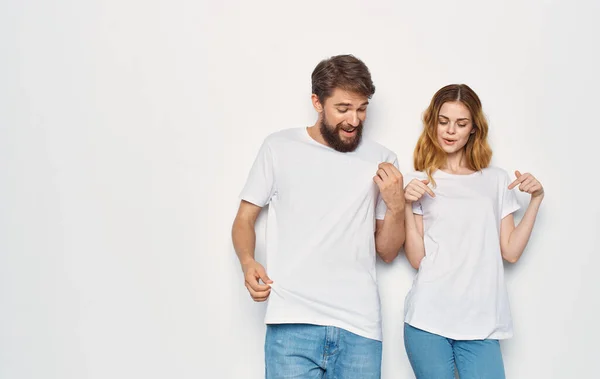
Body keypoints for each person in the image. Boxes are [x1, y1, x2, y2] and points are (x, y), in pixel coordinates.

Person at [231, 54, 405, 378]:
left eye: (362, 108)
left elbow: (388, 251)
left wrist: (396, 205)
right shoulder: (278, 147)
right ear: (317, 102)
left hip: (360, 328)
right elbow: (244, 219)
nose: (354, 119)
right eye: (343, 108)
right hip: (291, 324)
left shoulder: (383, 159)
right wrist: (247, 260)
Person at [402, 84, 545, 379]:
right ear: (433, 124)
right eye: (443, 121)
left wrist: (536, 201)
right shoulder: (419, 181)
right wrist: (406, 205)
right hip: (428, 318)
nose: (450, 130)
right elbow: (418, 259)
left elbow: (511, 252)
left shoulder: (495, 180)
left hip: (482, 323)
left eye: (461, 123)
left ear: (474, 129)